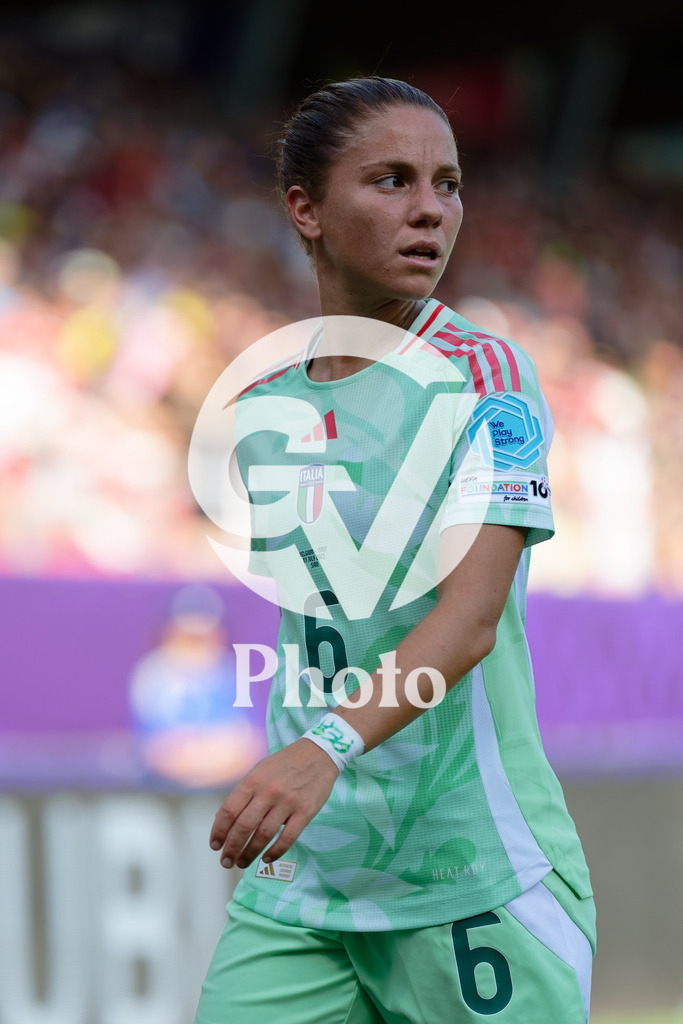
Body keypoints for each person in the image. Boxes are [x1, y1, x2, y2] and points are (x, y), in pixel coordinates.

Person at [194, 76, 595, 1024]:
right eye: (390, 181)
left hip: (472, 877)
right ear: (306, 210)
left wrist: (321, 747)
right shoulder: (260, 404)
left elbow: (468, 621)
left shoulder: (487, 376)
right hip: (304, 880)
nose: (430, 211)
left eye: (447, 184)